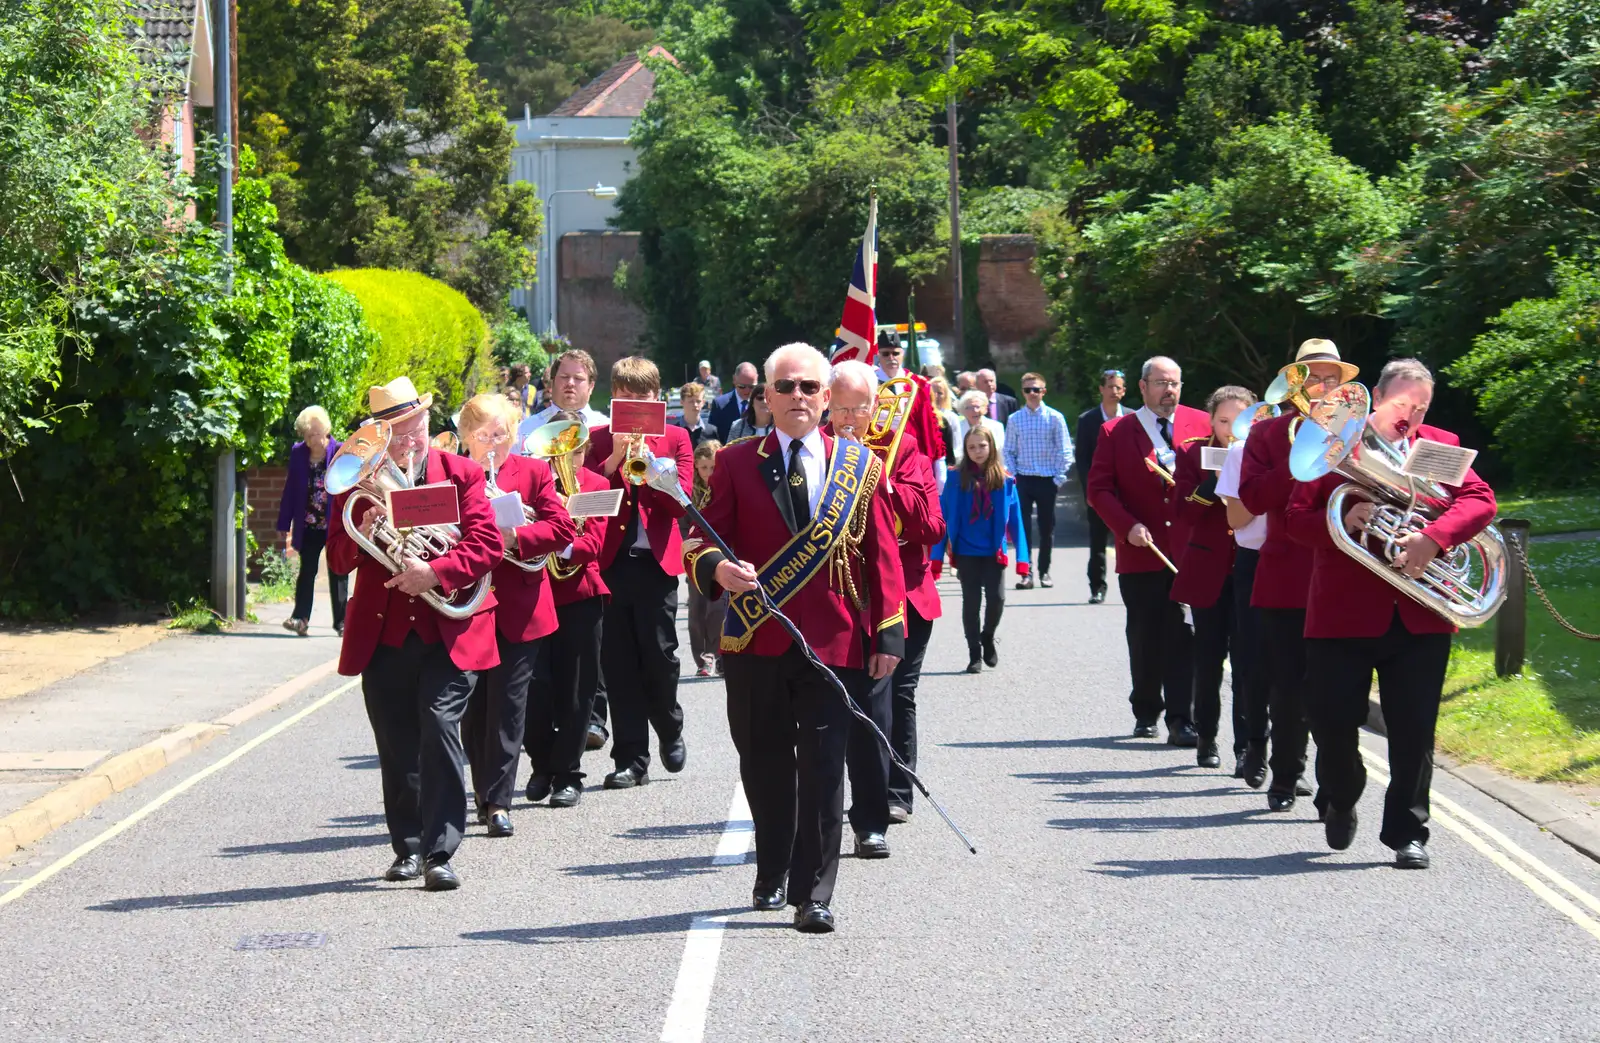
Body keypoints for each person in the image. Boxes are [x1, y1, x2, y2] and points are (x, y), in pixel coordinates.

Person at [684, 342, 905, 933]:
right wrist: (715, 569)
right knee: (763, 763)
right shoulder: (733, 462)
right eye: (786, 387)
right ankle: (773, 863)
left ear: (828, 398)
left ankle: (814, 893)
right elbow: (698, 538)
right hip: (755, 640)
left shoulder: (857, 466)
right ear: (768, 397)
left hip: (834, 643)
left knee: (825, 768)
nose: (799, 397)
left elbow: (882, 554)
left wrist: (889, 634)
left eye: (810, 388)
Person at [1287, 359, 1496, 869]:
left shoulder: (1439, 445)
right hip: (1342, 612)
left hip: (1420, 612)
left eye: (1421, 406)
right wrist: (1345, 518)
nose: (1412, 415)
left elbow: (1480, 500)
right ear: (1376, 397)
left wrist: (1433, 538)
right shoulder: (1336, 439)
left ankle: (1408, 831)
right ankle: (1341, 792)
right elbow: (1295, 519)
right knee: (1330, 720)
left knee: (1414, 729)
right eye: (1404, 404)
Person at [325, 376, 502, 892]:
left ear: (429, 423)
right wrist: (367, 522)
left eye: (415, 429)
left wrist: (436, 572)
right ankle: (407, 848)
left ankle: (440, 851)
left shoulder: (462, 473)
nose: (407, 442)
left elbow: (487, 545)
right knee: (397, 741)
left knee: (439, 725)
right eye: (396, 433)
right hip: (384, 633)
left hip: (448, 626)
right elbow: (337, 557)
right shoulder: (359, 480)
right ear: (379, 436)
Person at [1238, 339, 1360, 811]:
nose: (1323, 386)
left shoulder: (1355, 432)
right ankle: (1286, 776)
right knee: (1285, 684)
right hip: (1285, 576)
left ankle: (1334, 786)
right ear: (1296, 384)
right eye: (1313, 377)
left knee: (1333, 691)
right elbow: (1250, 498)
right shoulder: (1269, 435)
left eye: (1332, 378)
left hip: (1340, 577)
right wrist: (1300, 463)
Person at [828, 360, 945, 850]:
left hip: (903, 597)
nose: (852, 419)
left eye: (861, 408)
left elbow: (933, 526)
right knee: (840, 703)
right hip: (841, 596)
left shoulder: (905, 450)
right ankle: (833, 803)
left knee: (896, 696)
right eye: (842, 410)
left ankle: (892, 797)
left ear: (876, 408)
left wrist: (882, 483)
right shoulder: (817, 453)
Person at [455, 394, 575, 837]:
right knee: (473, 709)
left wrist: (513, 536)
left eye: (501, 434)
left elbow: (561, 528)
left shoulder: (533, 471)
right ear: (467, 437)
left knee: (509, 704)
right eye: (484, 435)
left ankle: (498, 802)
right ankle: (483, 791)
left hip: (521, 604)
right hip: (468, 604)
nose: (493, 444)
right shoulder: (453, 475)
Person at [1087, 355, 1210, 743]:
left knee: (1184, 635)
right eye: (1160, 383)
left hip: (1189, 553)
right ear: (1142, 387)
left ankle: (1181, 718)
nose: (1168, 390)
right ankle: (1145, 707)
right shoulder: (1116, 431)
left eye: (1174, 383)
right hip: (1142, 552)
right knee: (1144, 636)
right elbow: (1099, 490)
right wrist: (1127, 526)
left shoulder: (1202, 424)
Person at [586, 357, 695, 789]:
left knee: (660, 655)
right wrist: (613, 460)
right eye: (624, 397)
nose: (633, 404)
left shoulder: (677, 438)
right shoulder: (597, 439)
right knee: (617, 663)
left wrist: (650, 464)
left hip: (655, 564)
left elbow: (680, 502)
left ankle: (669, 727)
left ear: (656, 397)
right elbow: (586, 498)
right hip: (610, 563)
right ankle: (631, 758)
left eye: (642, 397)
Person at [525, 408, 613, 808]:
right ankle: (541, 765)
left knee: (577, 691)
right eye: (561, 446)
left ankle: (568, 774)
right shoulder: (535, 483)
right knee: (535, 688)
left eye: (576, 446)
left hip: (581, 595)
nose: (570, 454)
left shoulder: (596, 483)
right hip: (539, 595)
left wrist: (556, 541)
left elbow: (594, 545)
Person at [1171, 387, 1254, 770]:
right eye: (1223, 422)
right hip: (1208, 570)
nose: (1230, 430)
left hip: (1249, 569)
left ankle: (1245, 745)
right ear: (1211, 421)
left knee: (1247, 662)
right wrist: (1214, 482)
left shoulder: (1259, 452)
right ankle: (1206, 737)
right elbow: (1183, 514)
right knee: (1208, 660)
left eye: (1239, 421)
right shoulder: (1193, 453)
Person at [933, 426, 1028, 674]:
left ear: (992, 447)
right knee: (971, 603)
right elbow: (943, 516)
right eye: (972, 447)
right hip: (966, 550)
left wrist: (1023, 559)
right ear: (965, 449)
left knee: (997, 599)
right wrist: (936, 556)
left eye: (982, 446)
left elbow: (1016, 521)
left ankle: (987, 636)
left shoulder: (1006, 480)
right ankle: (974, 653)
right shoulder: (955, 478)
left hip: (993, 551)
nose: (977, 451)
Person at [1215, 420, 1271, 784]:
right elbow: (1236, 517)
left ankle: (1292, 761)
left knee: (1301, 670)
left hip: (1304, 559)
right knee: (1252, 663)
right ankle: (1254, 748)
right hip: (1255, 560)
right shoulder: (1241, 451)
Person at [277, 405, 349, 637]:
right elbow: (290, 490)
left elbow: (348, 487)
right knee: (306, 570)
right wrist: (283, 523)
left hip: (335, 523)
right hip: (308, 523)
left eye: (316, 434)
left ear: (326, 431)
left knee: (338, 571)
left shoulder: (339, 451)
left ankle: (342, 622)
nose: (312, 440)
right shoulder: (298, 453)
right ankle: (300, 619)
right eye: (308, 435)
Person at [1004, 372, 1073, 591]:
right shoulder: (1015, 419)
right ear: (1023, 392)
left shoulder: (1055, 417)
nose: (1032, 394)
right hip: (1023, 479)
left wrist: (1058, 478)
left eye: (1036, 389)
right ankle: (1027, 573)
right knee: (1022, 529)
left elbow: (1065, 450)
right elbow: (1008, 451)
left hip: (1047, 480)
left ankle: (1044, 571)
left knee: (1046, 528)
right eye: (1028, 390)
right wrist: (1014, 477)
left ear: (1044, 391)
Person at [1076, 369, 1129, 604]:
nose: (1114, 391)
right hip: (1100, 491)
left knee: (1130, 538)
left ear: (1125, 391)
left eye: (1118, 387)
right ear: (1101, 389)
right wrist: (1091, 490)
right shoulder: (1087, 420)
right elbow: (1083, 459)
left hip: (1128, 491)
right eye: (1110, 386)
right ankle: (1097, 587)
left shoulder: (1132, 417)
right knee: (1098, 542)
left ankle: (1136, 586)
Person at [684, 439, 728, 676]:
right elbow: (681, 525)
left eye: (713, 467)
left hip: (723, 554)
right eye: (704, 468)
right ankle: (701, 658)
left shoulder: (727, 488)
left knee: (718, 608)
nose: (709, 474)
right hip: (696, 555)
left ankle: (714, 655)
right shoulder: (688, 494)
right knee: (697, 610)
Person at [513, 349, 610, 453]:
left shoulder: (606, 429)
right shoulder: (526, 429)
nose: (570, 383)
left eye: (578, 378)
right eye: (564, 377)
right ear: (552, 383)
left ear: (591, 387)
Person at [710, 361, 760, 441]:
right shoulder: (719, 404)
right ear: (734, 380)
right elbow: (713, 437)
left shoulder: (762, 404)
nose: (747, 391)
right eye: (742, 386)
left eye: (751, 387)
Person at [953, 389, 1006, 463]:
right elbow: (956, 452)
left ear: (985, 409)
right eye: (969, 408)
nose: (975, 410)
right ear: (962, 410)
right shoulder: (957, 428)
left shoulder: (997, 426)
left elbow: (1001, 452)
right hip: (964, 469)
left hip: (991, 467)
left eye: (977, 407)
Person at [927, 376, 959, 485]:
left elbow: (956, 445)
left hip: (946, 462)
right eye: (933, 392)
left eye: (940, 393)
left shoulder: (951, 417)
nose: (936, 396)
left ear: (945, 395)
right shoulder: (924, 414)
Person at [673, 382, 718, 447]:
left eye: (698, 401)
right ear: (681, 402)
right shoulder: (674, 431)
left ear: (703, 402)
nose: (695, 405)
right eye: (691, 401)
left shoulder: (712, 431)